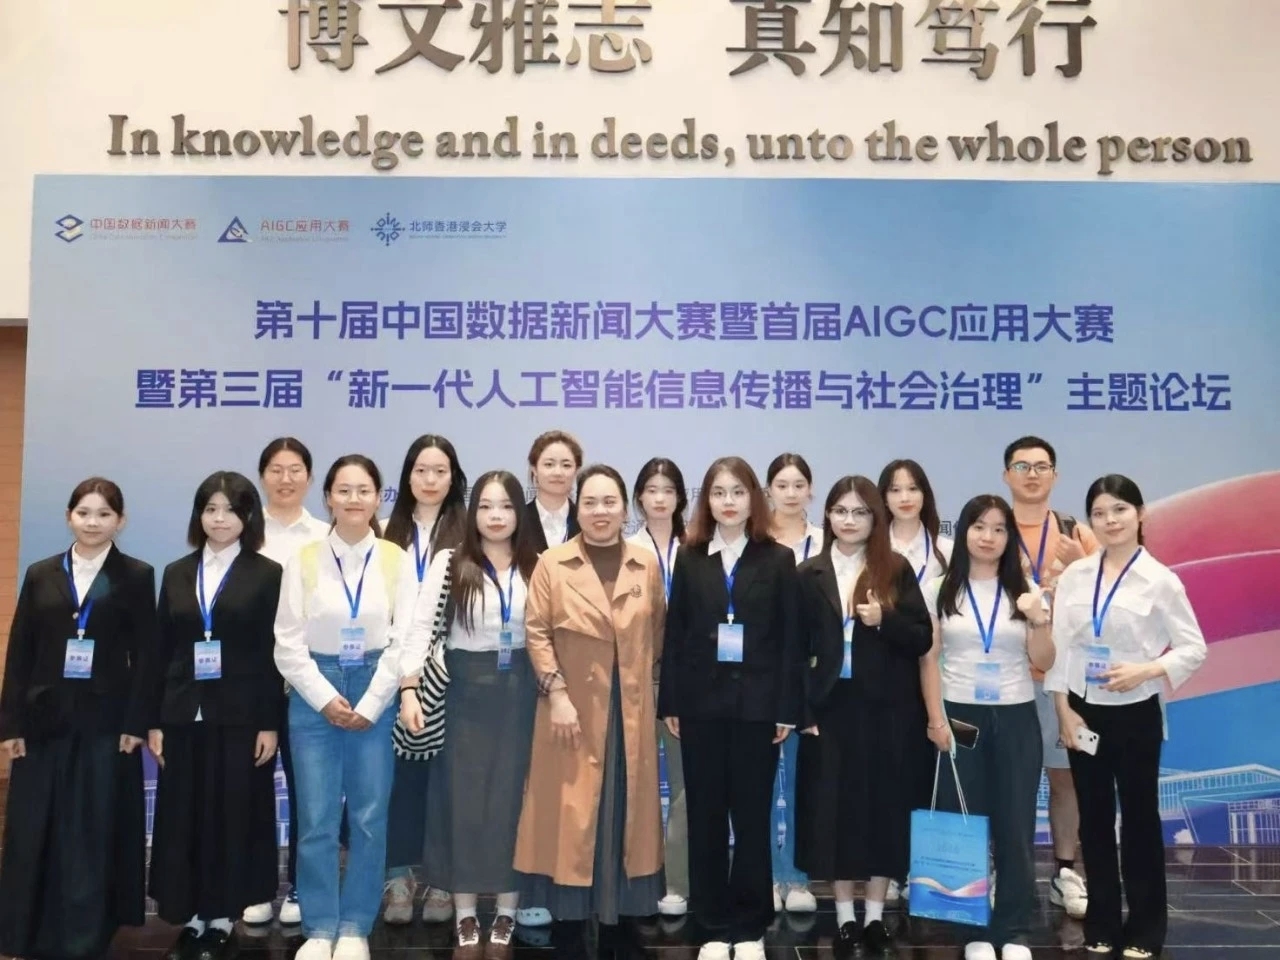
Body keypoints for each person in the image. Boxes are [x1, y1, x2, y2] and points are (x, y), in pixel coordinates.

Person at [1047, 475, 1207, 960]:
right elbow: (1061, 649)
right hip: (1084, 711)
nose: (1110, 520)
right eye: (1099, 513)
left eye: (1119, 510)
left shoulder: (1160, 579)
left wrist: (1147, 669)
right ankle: (1100, 924)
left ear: (1140, 514)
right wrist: (1063, 710)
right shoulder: (1076, 576)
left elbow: (1193, 647)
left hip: (1136, 712)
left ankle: (1145, 930)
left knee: (1138, 821)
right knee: (1093, 821)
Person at [514, 465, 666, 960]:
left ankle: (621, 919)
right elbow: (536, 632)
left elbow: (657, 634)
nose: (601, 512)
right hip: (570, 713)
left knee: (625, 815)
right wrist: (556, 693)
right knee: (573, 818)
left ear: (625, 508)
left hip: (630, 713)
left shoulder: (645, 564)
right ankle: (571, 922)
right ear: (577, 510)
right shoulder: (553, 564)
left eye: (610, 502)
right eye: (591, 503)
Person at [0, 478, 154, 960]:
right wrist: (10, 726)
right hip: (43, 721)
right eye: (84, 512)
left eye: (104, 514)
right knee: (34, 827)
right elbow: (19, 652)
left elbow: (146, 658)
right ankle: (26, 932)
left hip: (106, 724)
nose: (93, 522)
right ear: (69, 516)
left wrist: (135, 723)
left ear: (120, 521)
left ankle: (86, 936)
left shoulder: (136, 575)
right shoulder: (41, 573)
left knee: (92, 827)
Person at [659, 456, 803, 960]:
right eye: (719, 492)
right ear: (707, 500)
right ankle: (712, 926)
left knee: (751, 815)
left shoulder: (778, 559)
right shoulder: (690, 557)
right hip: (700, 707)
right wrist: (671, 701)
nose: (728, 502)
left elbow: (789, 640)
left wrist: (786, 708)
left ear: (753, 499)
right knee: (705, 815)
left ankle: (751, 925)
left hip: (758, 709)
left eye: (738, 492)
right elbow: (676, 635)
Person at [274, 455, 416, 960]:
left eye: (364, 490)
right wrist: (324, 698)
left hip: (375, 685)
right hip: (316, 689)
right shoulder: (304, 560)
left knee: (369, 817)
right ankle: (319, 927)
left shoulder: (397, 559)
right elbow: (287, 643)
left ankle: (355, 924)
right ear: (328, 498)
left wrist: (373, 702)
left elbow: (405, 639)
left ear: (378, 498)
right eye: (344, 490)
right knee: (315, 817)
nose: (354, 499)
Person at [398, 470, 539, 960]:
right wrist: (409, 689)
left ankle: (506, 910)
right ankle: (464, 913)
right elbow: (420, 630)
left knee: (512, 802)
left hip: (521, 693)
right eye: (486, 506)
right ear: (473, 511)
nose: (496, 516)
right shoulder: (450, 561)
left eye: (506, 506)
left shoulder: (537, 563)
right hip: (462, 694)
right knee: (459, 802)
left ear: (520, 512)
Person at [148, 472, 284, 960]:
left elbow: (273, 653)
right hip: (183, 712)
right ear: (198, 515)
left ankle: (224, 913)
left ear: (248, 517)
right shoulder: (177, 572)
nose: (219, 519)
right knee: (185, 814)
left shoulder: (268, 573)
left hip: (242, 716)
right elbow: (160, 650)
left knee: (233, 813)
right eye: (210, 509)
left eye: (230, 510)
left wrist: (269, 721)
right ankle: (191, 913)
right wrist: (154, 721)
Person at [794, 476, 931, 958]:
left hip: (887, 710)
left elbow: (921, 637)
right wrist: (803, 709)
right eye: (840, 511)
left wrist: (884, 620)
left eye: (860, 512)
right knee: (834, 812)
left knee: (881, 810)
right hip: (830, 708)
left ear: (875, 518)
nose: (849, 521)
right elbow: (792, 649)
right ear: (828, 516)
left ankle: (874, 915)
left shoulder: (895, 568)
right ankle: (845, 916)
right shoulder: (808, 573)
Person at [921, 495, 1055, 960]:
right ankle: (971, 928)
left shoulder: (1026, 590)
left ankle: (1014, 928)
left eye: (999, 529)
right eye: (979, 526)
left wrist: (1039, 620)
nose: (988, 537)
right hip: (960, 714)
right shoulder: (940, 588)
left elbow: (1044, 661)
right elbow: (929, 659)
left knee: (1015, 823)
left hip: (1016, 714)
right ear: (964, 532)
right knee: (966, 820)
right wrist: (935, 718)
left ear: (1009, 537)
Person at [1002, 435, 1097, 920]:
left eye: (1041, 466)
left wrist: (1081, 567)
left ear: (1055, 476)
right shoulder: (992, 529)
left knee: (1066, 779)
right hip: (1007, 677)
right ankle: (1005, 872)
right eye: (1022, 466)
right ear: (1006, 475)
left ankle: (1064, 872)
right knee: (1006, 783)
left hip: (1063, 678)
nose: (1032, 474)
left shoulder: (1078, 533)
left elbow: (1110, 598)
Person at [381, 435, 469, 927]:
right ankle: (397, 876)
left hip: (449, 676)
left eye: (440, 471)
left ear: (454, 477)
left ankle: (441, 878)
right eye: (421, 470)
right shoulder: (384, 532)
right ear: (407, 476)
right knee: (397, 781)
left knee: (444, 781)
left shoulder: (470, 533)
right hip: (389, 672)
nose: (430, 480)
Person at [250, 436, 332, 927]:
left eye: (295, 469)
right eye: (276, 469)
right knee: (252, 785)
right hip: (251, 679)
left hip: (307, 679)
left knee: (309, 790)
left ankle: (303, 882)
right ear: (262, 476)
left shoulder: (324, 535)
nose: (286, 478)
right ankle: (257, 885)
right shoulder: (245, 533)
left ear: (310, 477)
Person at [878, 457, 954, 904]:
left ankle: (921, 869)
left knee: (925, 774)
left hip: (939, 673)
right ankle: (888, 867)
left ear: (925, 494)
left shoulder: (947, 550)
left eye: (912, 488)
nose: (904, 497)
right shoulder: (872, 548)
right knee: (887, 775)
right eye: (894, 489)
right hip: (887, 671)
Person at [627, 457, 690, 919]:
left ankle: (678, 882)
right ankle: (636, 879)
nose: (660, 498)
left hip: (687, 683)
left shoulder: (699, 548)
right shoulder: (626, 549)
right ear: (639, 498)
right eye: (652, 489)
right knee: (636, 783)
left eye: (669, 490)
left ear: (681, 498)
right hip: (636, 680)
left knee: (687, 789)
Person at [763, 452, 822, 914]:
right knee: (760, 780)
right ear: (768, 491)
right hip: (762, 674)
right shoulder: (755, 541)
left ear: (810, 491)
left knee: (806, 779)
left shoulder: (825, 542)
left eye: (798, 485)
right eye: (781, 485)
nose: (790, 493)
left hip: (814, 676)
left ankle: (798, 876)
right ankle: (765, 872)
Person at [520, 429, 584, 556]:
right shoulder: (518, 520)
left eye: (566, 465)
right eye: (549, 464)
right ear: (534, 469)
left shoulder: (586, 521)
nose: (558, 472)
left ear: (576, 471)